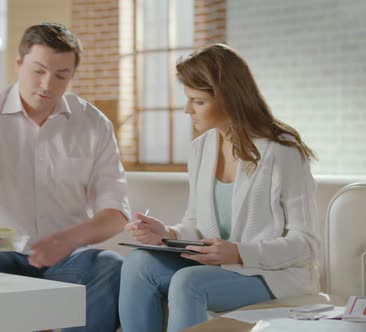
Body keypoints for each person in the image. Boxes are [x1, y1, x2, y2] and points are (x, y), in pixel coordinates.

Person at [0, 23, 130, 332]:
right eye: (39, 71)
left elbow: (116, 214)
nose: (48, 85)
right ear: (19, 64)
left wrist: (69, 238)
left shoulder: (93, 123)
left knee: (110, 266)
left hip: (67, 256)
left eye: (61, 76)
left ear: (72, 76)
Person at [118, 43, 320, 332]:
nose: (187, 109)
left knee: (189, 283)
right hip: (218, 269)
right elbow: (196, 226)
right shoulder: (201, 148)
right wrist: (167, 234)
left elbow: (306, 244)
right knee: (138, 264)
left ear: (229, 99)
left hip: (273, 276)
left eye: (197, 101)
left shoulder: (282, 151)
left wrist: (240, 253)